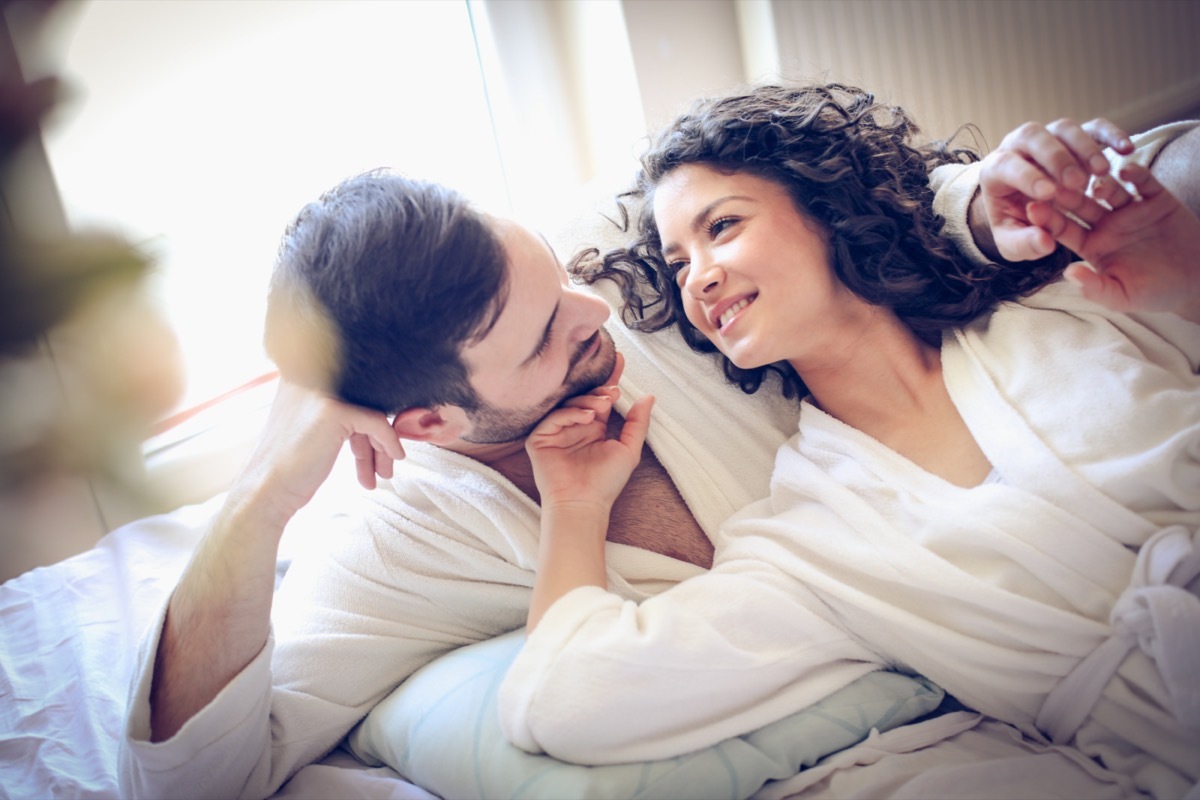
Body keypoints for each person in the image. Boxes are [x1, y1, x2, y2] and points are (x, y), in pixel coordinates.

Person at [118, 92, 1157, 800]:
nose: (597, 311)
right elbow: (197, 773)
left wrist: (982, 207)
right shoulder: (400, 540)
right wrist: (261, 492)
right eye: (548, 335)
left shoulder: (634, 265)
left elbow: (820, 203)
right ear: (429, 421)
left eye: (562, 276)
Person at [498, 83, 1200, 800]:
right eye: (678, 264)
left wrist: (1192, 276)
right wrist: (575, 503)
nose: (700, 276)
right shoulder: (807, 541)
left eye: (722, 227)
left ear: (828, 213)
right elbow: (563, 698)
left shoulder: (1066, 314)